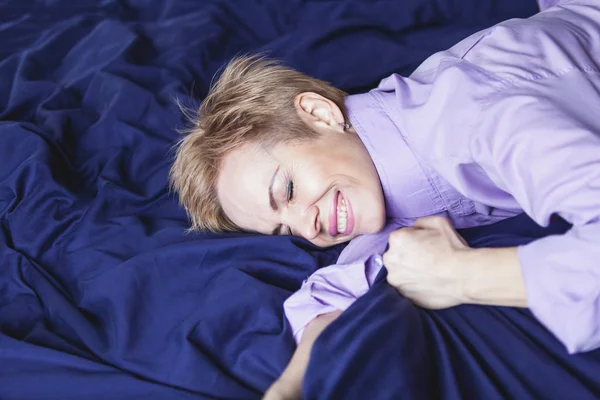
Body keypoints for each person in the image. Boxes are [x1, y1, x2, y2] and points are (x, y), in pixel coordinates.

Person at [169, 0, 600, 398]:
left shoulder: (477, 118)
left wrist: (462, 274)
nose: (307, 226)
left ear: (321, 114)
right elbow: (333, 299)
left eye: (287, 191)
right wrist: (285, 390)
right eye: (283, 229)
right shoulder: (368, 184)